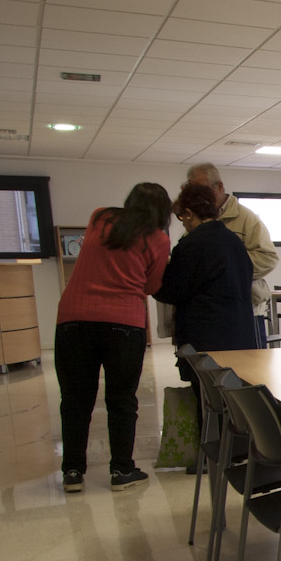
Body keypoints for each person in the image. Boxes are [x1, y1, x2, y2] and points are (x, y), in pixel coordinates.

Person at [54, 182, 171, 494]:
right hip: (123, 324)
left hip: (73, 319)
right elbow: (151, 286)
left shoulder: (100, 218)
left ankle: (73, 472)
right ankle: (121, 470)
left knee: (75, 400)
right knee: (121, 399)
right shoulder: (158, 239)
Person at [156, 182, 256, 386]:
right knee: (234, 400)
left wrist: (155, 275)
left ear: (190, 213)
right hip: (241, 336)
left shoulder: (191, 244)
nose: (183, 224)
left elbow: (174, 290)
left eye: (182, 217)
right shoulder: (235, 242)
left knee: (207, 402)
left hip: (206, 340)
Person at [186, 163, 278, 307]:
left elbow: (268, 258)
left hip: (245, 305)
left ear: (220, 186)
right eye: (195, 193)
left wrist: (224, 269)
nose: (200, 198)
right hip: (209, 305)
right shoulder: (196, 219)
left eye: (204, 191)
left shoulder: (245, 218)